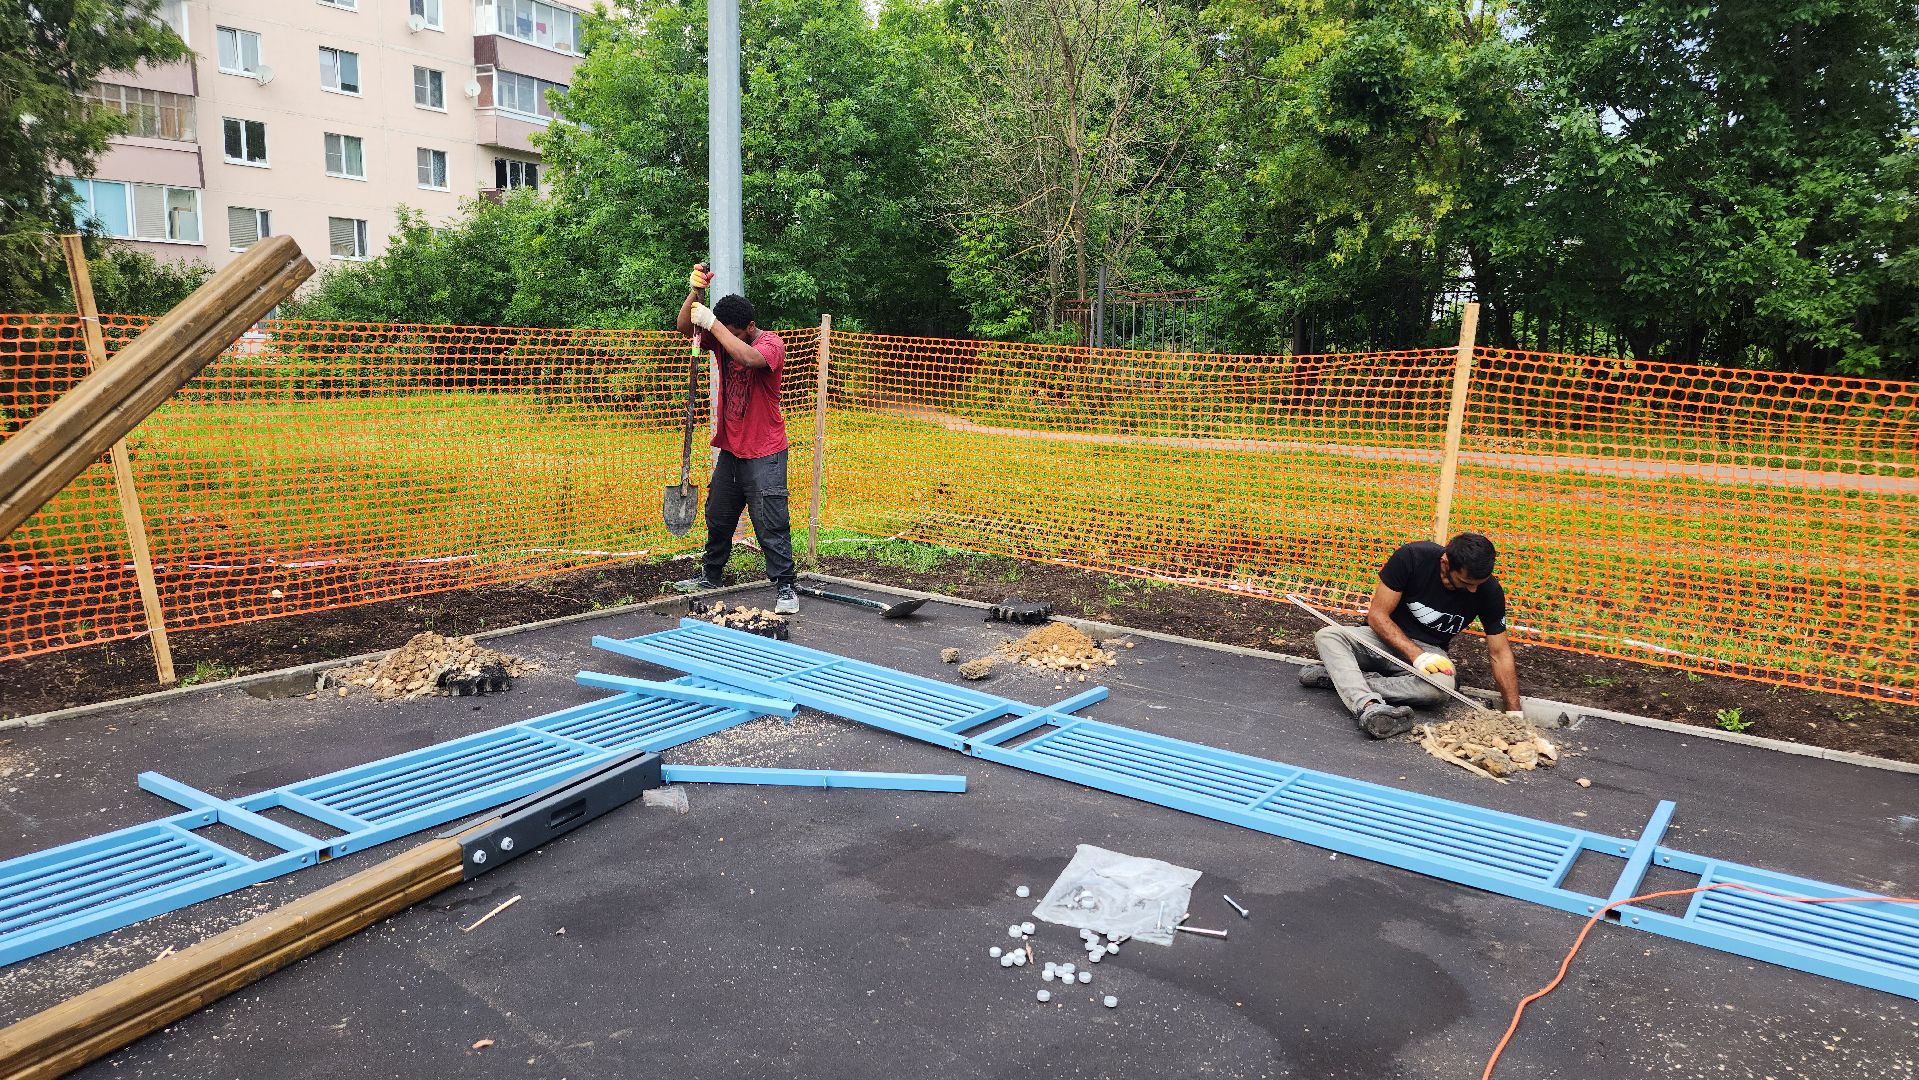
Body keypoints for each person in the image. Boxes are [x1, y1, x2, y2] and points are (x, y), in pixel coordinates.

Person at [1299, 532, 1524, 738]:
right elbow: (1377, 616)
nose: (1473, 590)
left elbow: (1500, 653)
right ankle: (1368, 705)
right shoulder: (1413, 557)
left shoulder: (1489, 592)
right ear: (1445, 563)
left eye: (1478, 584)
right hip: (1381, 638)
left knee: (1441, 687)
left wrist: (1515, 715)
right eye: (1465, 583)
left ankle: (1346, 680)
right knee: (1328, 636)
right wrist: (1417, 655)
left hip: (1430, 650)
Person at [670, 263, 799, 615]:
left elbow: (747, 356)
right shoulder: (725, 335)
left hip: (766, 451)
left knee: (770, 520)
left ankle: (786, 586)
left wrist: (713, 325)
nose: (727, 340)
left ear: (750, 328)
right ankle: (711, 575)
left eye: (733, 333)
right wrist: (695, 294)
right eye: (722, 332)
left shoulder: (770, 344)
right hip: (731, 448)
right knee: (718, 515)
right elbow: (685, 326)